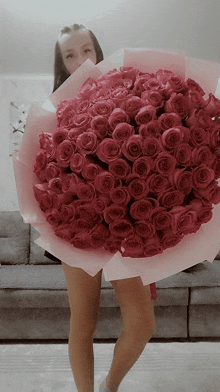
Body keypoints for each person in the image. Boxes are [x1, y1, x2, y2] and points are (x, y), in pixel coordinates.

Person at [47, 23, 156, 392]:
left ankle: (110, 384)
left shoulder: (127, 93)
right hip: (77, 226)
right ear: (62, 64)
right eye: (70, 55)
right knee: (83, 323)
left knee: (142, 323)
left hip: (125, 223)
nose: (81, 61)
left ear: (98, 51)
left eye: (86, 50)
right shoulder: (52, 110)